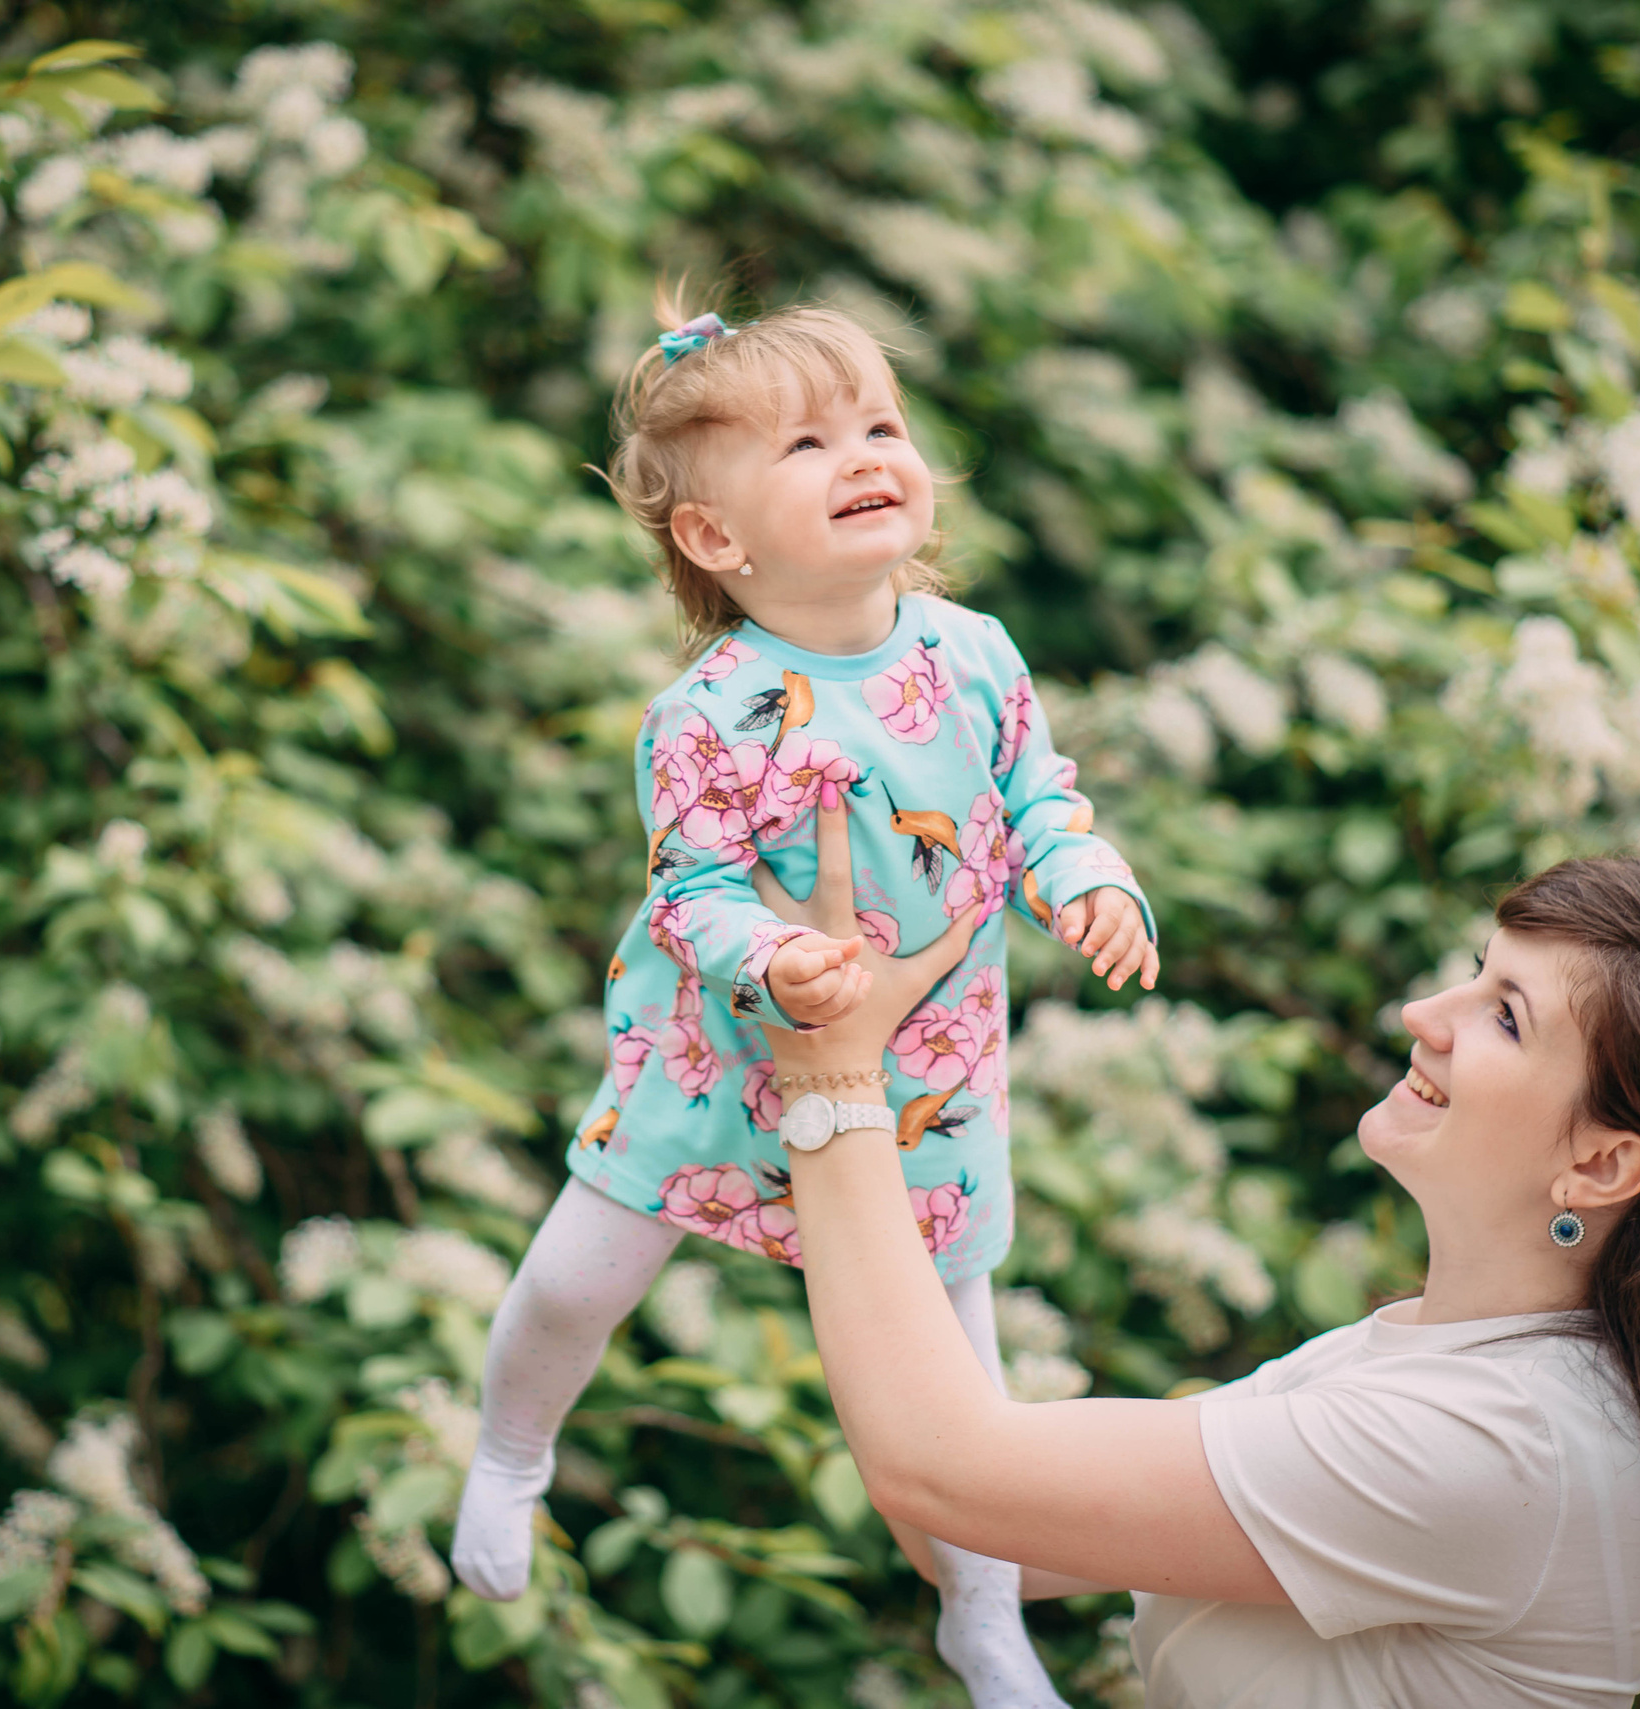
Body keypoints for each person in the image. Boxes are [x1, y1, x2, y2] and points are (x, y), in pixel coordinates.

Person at [754, 830, 1640, 1707]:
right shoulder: (1421, 1361)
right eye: (1474, 973)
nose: (1425, 1012)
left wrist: (830, 1076)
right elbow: (976, 1530)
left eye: (1504, 1016)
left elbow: (943, 1475)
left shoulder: (1503, 1442)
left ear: (1600, 1162)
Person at [452, 291, 1158, 1708]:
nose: (864, 455)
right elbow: (691, 887)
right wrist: (767, 960)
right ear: (717, 540)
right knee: (578, 1275)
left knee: (959, 1360)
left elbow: (1037, 800)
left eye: (881, 425)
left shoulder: (977, 656)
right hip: (717, 1061)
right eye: (809, 443)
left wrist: (1090, 879)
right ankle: (510, 1449)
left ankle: (982, 1609)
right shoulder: (706, 712)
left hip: (925, 1075)